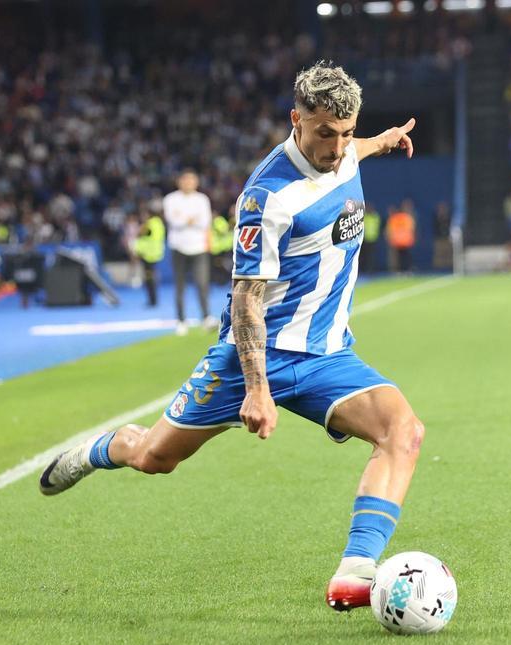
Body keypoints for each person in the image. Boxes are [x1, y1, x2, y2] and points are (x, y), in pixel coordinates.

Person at [38, 62, 421, 614]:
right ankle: (104, 448)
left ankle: (355, 575)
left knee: (403, 432)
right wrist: (258, 390)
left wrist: (382, 141)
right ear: (296, 120)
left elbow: (352, 152)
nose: (337, 148)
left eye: (346, 132)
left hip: (328, 354)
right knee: (154, 458)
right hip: (254, 356)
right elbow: (246, 300)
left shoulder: (341, 149)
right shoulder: (267, 198)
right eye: (324, 135)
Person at [164, 171, 215, 335]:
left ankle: (206, 317)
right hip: (178, 246)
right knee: (179, 286)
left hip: (198, 247)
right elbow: (174, 221)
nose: (188, 183)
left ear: (196, 182)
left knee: (202, 284)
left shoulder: (202, 199)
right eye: (185, 180)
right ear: (179, 182)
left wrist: (184, 218)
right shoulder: (171, 199)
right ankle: (181, 320)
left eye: (191, 180)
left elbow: (204, 222)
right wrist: (190, 219)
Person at [134, 204, 166, 308]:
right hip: (154, 254)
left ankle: (152, 300)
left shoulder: (149, 224)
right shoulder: (158, 223)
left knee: (149, 279)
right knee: (151, 277)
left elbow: (142, 235)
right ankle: (153, 299)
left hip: (148, 255)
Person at [386, 199, 416, 273]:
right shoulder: (406, 217)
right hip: (403, 241)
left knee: (403, 257)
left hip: (399, 241)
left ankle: (402, 270)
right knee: (403, 257)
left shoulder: (397, 218)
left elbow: (390, 230)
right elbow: (412, 229)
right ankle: (405, 270)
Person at [359, 202, 381, 275]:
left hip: (372, 239)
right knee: (362, 256)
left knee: (371, 257)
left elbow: (378, 226)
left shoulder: (375, 216)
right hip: (364, 239)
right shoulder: (365, 216)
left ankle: (370, 271)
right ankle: (362, 270)